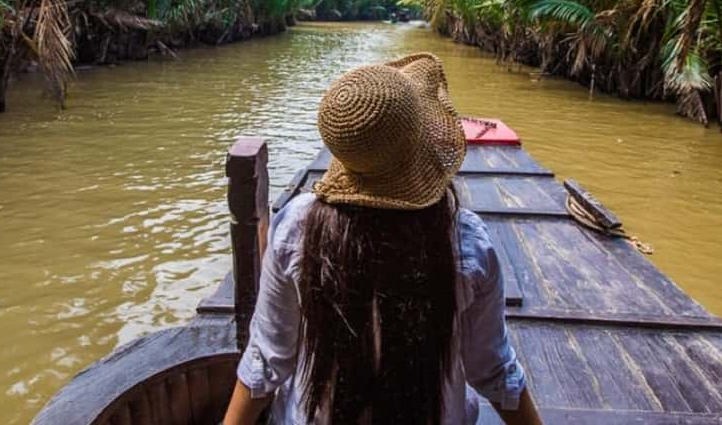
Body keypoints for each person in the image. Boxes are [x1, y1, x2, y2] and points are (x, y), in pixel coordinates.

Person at [223, 53, 542, 425]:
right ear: (421, 141)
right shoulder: (465, 241)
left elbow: (267, 359)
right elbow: (492, 369)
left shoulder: (295, 225)